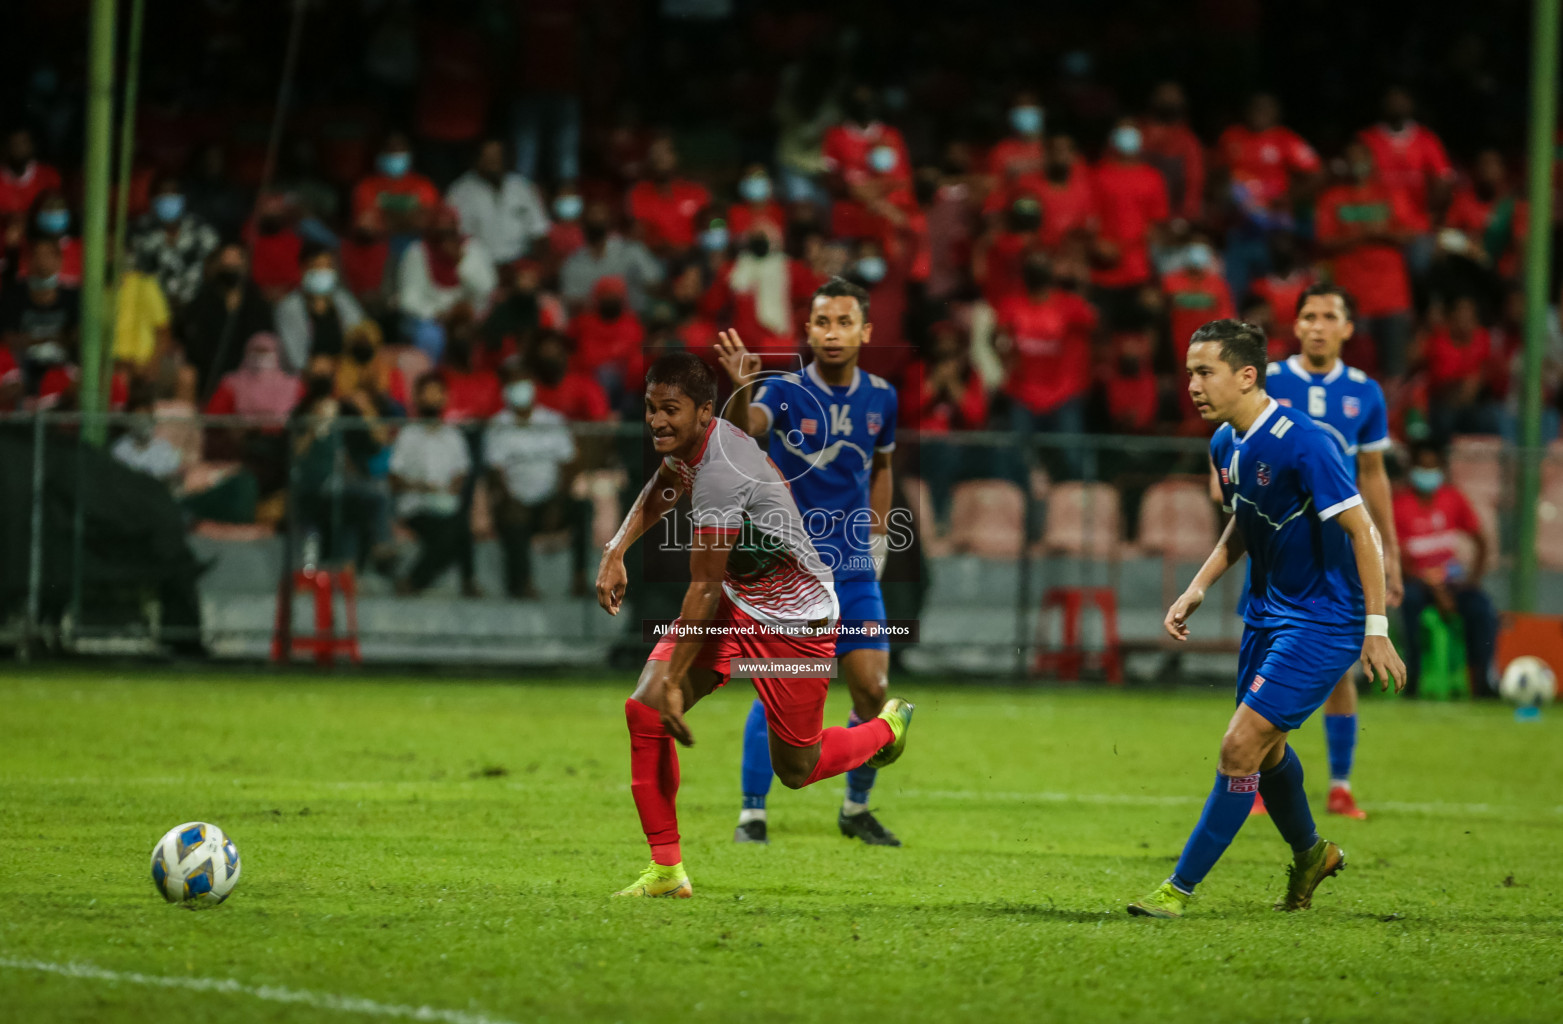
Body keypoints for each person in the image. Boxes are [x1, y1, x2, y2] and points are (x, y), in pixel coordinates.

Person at [593, 351, 914, 897]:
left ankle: (886, 727)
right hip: (738, 601)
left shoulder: (722, 473)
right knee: (644, 710)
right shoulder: (694, 444)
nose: (656, 421)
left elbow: (704, 585)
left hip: (797, 621)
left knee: (797, 767)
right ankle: (667, 871)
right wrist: (616, 548)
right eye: (650, 408)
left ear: (704, 413)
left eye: (670, 409)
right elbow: (665, 485)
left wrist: (677, 680)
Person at [1127, 319, 1404, 919]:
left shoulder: (1308, 441)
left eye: (1206, 373)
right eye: (1190, 374)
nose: (1193, 386)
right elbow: (1243, 524)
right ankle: (1312, 854)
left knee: (1239, 746)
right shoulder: (1225, 444)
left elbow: (1364, 531)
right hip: (1267, 615)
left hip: (1323, 620)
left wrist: (1375, 629)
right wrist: (1197, 588)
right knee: (1268, 752)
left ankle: (1176, 890)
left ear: (1247, 375)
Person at [715, 276, 906, 846]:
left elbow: (883, 468)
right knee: (781, 685)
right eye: (823, 321)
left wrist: (878, 536)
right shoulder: (784, 391)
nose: (832, 332)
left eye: (845, 321)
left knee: (872, 690)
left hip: (852, 567)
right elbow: (749, 431)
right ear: (808, 329)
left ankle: (854, 807)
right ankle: (753, 813)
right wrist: (744, 388)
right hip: (790, 572)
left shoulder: (883, 396)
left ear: (865, 331)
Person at [1259, 284, 1403, 820]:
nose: (1318, 325)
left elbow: (1373, 474)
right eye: (1309, 315)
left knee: (1338, 667)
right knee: (1267, 655)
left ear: (1347, 328)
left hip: (1340, 551)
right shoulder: (1270, 380)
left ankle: (1339, 785)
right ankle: (1251, 772)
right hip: (1280, 544)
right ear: (1295, 326)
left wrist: (1392, 555)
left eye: (1330, 316)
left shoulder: (1365, 393)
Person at [1393, 440, 1498, 697]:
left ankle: (1481, 683)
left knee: (1481, 607)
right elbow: (1398, 558)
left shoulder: (1452, 498)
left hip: (1452, 581)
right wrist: (1435, 589)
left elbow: (1481, 541)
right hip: (1415, 582)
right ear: (1412, 468)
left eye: (1433, 467)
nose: (1428, 473)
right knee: (1410, 603)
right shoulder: (1398, 505)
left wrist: (1472, 580)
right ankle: (1411, 682)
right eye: (1423, 466)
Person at [484, 374, 590, 599]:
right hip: (515, 501)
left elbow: (569, 464)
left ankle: (581, 579)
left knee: (583, 508)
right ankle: (522, 585)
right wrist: (509, 499)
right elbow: (495, 470)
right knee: (511, 516)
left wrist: (558, 501)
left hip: (551, 500)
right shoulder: (497, 425)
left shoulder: (553, 421)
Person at [1314, 143, 1415, 379]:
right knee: (1356, 372)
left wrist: (1380, 233)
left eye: (1362, 157)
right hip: (1353, 300)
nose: (1358, 163)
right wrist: (1361, 235)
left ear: (1372, 162)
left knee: (1395, 371)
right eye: (1352, 158)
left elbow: (1410, 234)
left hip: (1393, 298)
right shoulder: (1333, 198)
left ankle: (1391, 416)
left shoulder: (1391, 194)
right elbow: (1325, 241)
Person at [390, 373, 475, 596]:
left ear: (445, 398)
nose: (432, 398)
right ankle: (416, 581)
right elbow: (395, 476)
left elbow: (462, 471)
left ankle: (463, 582)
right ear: (417, 398)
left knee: (457, 525)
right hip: (415, 507)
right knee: (453, 531)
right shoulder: (407, 435)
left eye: (437, 393)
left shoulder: (453, 436)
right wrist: (419, 487)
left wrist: (452, 486)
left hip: (446, 504)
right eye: (427, 393)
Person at [397, 205, 498, 361]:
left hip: (471, 314)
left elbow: (487, 288)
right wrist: (436, 313)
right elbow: (408, 298)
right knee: (430, 336)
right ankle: (431, 379)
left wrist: (461, 262)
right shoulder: (417, 252)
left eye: (449, 233)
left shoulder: (472, 248)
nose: (445, 240)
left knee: (488, 331)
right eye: (440, 234)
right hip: (433, 317)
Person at [177, 242, 275, 396]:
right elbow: (193, 345)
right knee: (186, 374)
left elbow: (263, 342)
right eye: (226, 262)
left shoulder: (257, 304)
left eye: (236, 261)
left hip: (247, 376)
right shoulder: (202, 302)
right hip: (208, 375)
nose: (231, 266)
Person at [445, 138, 551, 266]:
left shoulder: (521, 186)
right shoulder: (459, 192)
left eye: (498, 156)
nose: (494, 161)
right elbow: (452, 239)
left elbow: (540, 231)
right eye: (488, 157)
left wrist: (534, 266)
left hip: (519, 263)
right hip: (478, 265)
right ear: (477, 159)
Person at [129, 175, 220, 309]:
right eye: (163, 194)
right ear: (153, 198)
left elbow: (215, 261)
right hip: (149, 309)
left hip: (195, 307)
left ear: (182, 198)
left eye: (173, 193)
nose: (168, 198)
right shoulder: (139, 230)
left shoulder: (200, 229)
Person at [559, 200, 664, 314]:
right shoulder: (573, 262)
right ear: (582, 224)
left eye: (600, 218)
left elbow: (655, 282)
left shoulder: (631, 251)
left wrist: (632, 286)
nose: (596, 220)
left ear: (609, 222)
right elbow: (571, 300)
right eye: (592, 219)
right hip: (593, 322)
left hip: (633, 319)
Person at [275, 245, 366, 371]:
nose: (323, 271)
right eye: (317, 266)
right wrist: (316, 367)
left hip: (344, 371)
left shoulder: (343, 299)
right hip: (306, 376)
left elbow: (360, 332)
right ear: (304, 269)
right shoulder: (289, 307)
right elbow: (295, 358)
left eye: (327, 266)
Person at [627, 135, 712, 254]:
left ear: (676, 156)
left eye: (665, 152)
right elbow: (638, 236)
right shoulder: (640, 193)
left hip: (694, 256)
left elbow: (711, 228)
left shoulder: (696, 191)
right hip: (657, 258)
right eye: (655, 153)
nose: (660, 158)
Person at [1140, 81, 1205, 224]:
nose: (1168, 101)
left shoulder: (1188, 141)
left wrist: (1187, 216)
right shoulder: (1140, 134)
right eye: (1164, 96)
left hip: (1174, 218)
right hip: (1140, 216)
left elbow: (1193, 181)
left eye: (1173, 97)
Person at [0, 127, 62, 221]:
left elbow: (57, 212)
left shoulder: (48, 176)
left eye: (23, 143)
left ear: (32, 145)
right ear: (5, 147)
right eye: (14, 144)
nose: (19, 149)